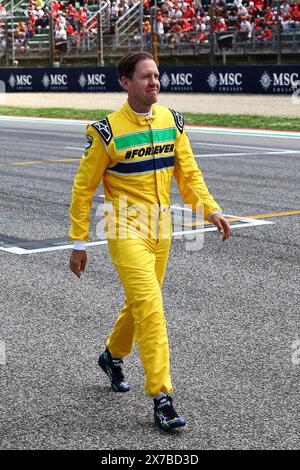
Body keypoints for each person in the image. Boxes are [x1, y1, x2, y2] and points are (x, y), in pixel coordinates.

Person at [69, 52, 232, 431]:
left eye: (156, 76)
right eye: (145, 77)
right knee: (152, 310)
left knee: (140, 303)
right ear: (125, 83)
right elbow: (82, 190)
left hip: (162, 231)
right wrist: (78, 241)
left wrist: (210, 209)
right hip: (125, 231)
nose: (154, 82)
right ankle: (162, 398)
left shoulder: (172, 121)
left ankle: (112, 355)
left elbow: (188, 175)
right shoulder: (105, 131)